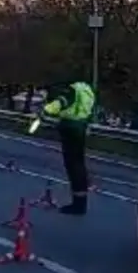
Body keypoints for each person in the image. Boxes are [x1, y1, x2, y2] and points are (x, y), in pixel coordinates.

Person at [41, 80, 96, 215]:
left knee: (73, 165)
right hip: (81, 126)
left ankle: (77, 205)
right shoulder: (86, 89)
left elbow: (62, 102)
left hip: (70, 127)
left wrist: (45, 109)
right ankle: (80, 203)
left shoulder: (72, 90)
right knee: (78, 164)